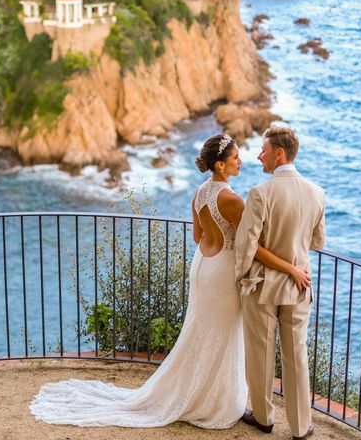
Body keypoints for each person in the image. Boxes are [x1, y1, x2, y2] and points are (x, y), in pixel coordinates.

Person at [29, 133, 311, 429]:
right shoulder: (232, 200)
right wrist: (291, 269)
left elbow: (198, 236)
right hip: (223, 274)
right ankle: (212, 401)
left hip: (202, 266)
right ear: (220, 165)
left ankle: (196, 394)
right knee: (222, 337)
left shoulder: (200, 193)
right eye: (235, 158)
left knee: (200, 333)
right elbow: (250, 248)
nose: (240, 162)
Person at [235, 126, 325, 440]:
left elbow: (246, 245)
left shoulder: (261, 193)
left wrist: (239, 279)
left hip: (262, 284)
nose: (259, 155)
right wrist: (293, 260)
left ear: (279, 153)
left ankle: (263, 418)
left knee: (260, 353)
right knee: (296, 356)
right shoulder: (317, 192)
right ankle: (301, 427)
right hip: (300, 285)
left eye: (263, 150)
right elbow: (318, 241)